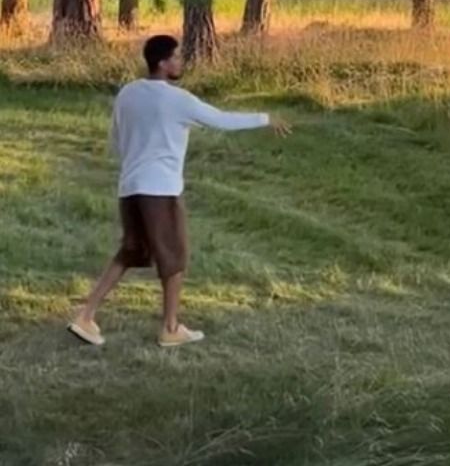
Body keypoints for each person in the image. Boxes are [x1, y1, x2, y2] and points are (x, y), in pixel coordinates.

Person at [66, 35, 291, 348]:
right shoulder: (178, 99)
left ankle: (85, 316)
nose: (181, 62)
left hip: (129, 187)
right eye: (177, 57)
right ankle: (170, 328)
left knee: (132, 251)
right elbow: (222, 121)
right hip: (160, 190)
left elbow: (116, 140)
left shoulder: (127, 94)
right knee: (175, 256)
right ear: (162, 62)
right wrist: (265, 118)